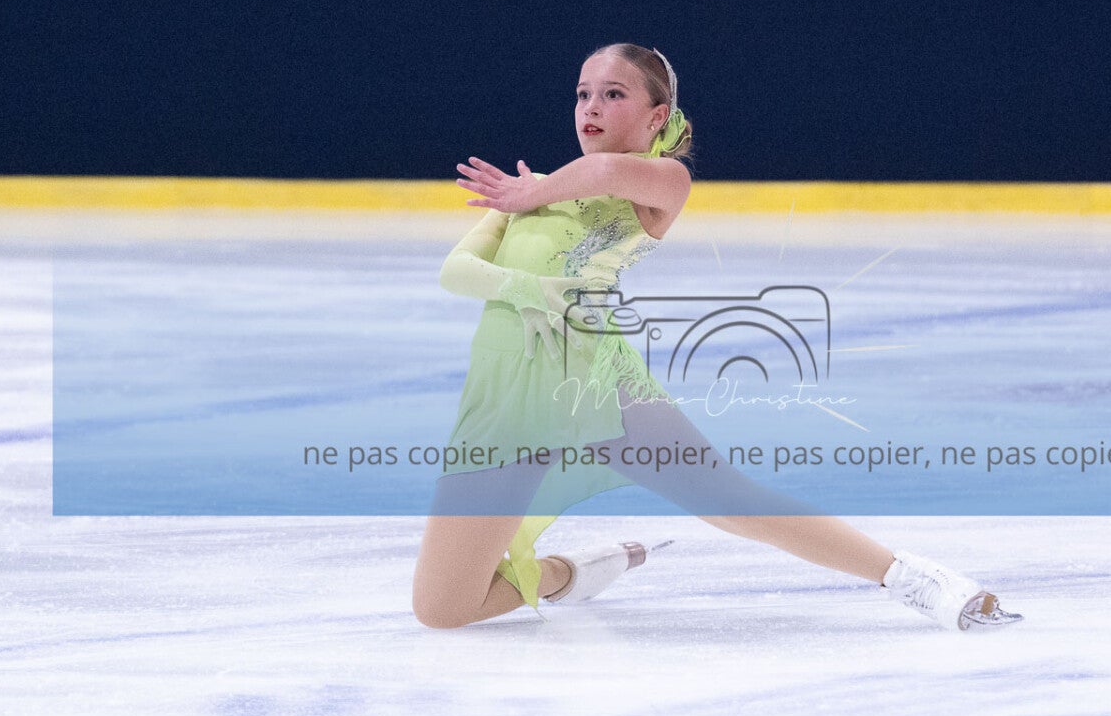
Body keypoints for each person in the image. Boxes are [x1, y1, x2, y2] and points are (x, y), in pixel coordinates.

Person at [411, 42, 1021, 633]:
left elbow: (605, 170)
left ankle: (912, 577)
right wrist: (531, 285)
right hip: (502, 398)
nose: (590, 107)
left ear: (657, 117)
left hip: (594, 385)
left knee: (729, 501)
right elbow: (455, 271)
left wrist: (529, 193)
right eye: (582, 94)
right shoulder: (524, 195)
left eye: (613, 94)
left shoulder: (662, 182)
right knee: (442, 608)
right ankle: (573, 572)